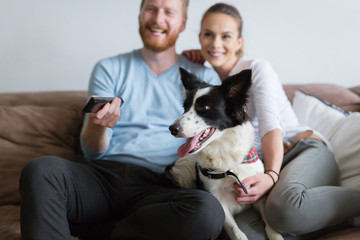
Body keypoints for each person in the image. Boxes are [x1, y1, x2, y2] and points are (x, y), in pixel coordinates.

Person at [19, 0, 226, 239]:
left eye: (169, 12)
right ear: (139, 15)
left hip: (163, 186)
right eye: (150, 9)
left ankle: (104, 231)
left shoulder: (202, 76)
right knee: (41, 170)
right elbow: (92, 152)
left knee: (207, 211)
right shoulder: (109, 68)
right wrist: (98, 126)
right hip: (102, 178)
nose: (158, 19)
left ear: (183, 24)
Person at [182, 3, 360, 239]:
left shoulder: (256, 69)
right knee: (245, 234)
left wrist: (271, 176)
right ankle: (332, 218)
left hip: (301, 149)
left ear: (239, 41)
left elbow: (271, 128)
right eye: (208, 35)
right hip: (253, 169)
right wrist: (189, 59)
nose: (215, 43)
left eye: (226, 36)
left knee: (283, 209)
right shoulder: (207, 82)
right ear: (200, 38)